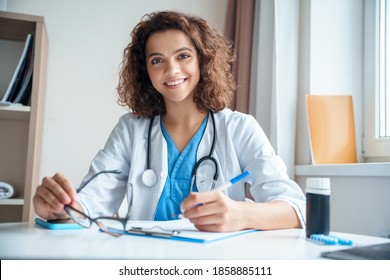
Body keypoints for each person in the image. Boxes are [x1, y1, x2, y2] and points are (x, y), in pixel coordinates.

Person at [33, 10, 306, 233]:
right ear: (145, 72)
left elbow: (295, 208)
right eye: (157, 60)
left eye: (183, 56)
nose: (171, 70)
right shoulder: (131, 130)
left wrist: (241, 213)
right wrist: (59, 207)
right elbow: (92, 201)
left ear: (203, 60)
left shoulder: (239, 128)